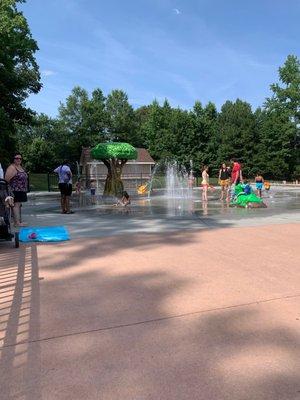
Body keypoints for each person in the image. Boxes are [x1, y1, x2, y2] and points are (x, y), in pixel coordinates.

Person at [5, 153, 28, 226]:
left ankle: (17, 221)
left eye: (20, 158)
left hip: (21, 190)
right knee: (15, 205)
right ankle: (17, 222)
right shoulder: (12, 168)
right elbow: (6, 180)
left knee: (18, 205)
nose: (18, 160)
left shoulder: (20, 167)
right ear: (13, 159)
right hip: (15, 190)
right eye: (16, 158)